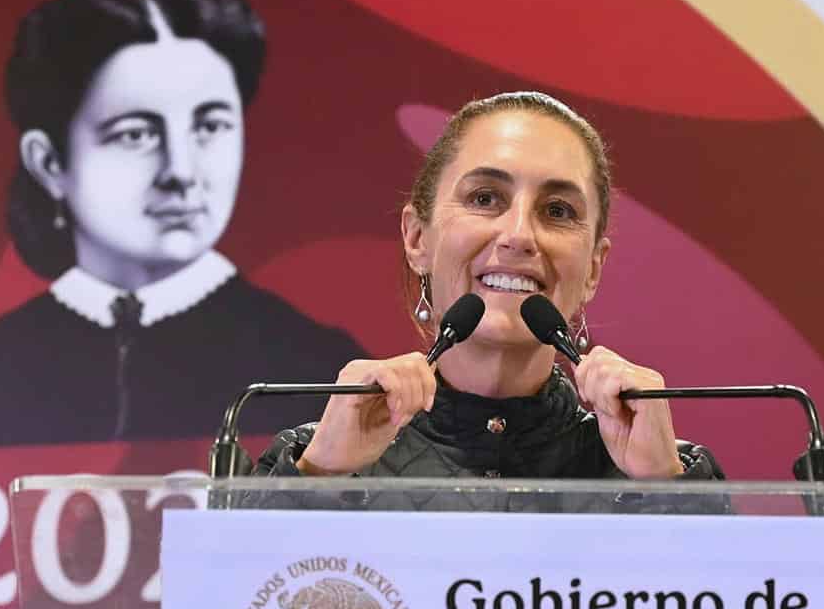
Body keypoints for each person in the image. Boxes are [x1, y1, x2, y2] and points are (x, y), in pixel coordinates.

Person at [0, 0, 362, 450]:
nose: (181, 171)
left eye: (210, 126)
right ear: (49, 162)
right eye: (136, 135)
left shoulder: (315, 370)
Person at [253, 91, 720, 482]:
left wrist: (666, 491)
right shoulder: (304, 462)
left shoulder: (670, 471)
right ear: (417, 239)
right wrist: (319, 477)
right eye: (484, 198)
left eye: (557, 211)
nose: (518, 235)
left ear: (594, 268)